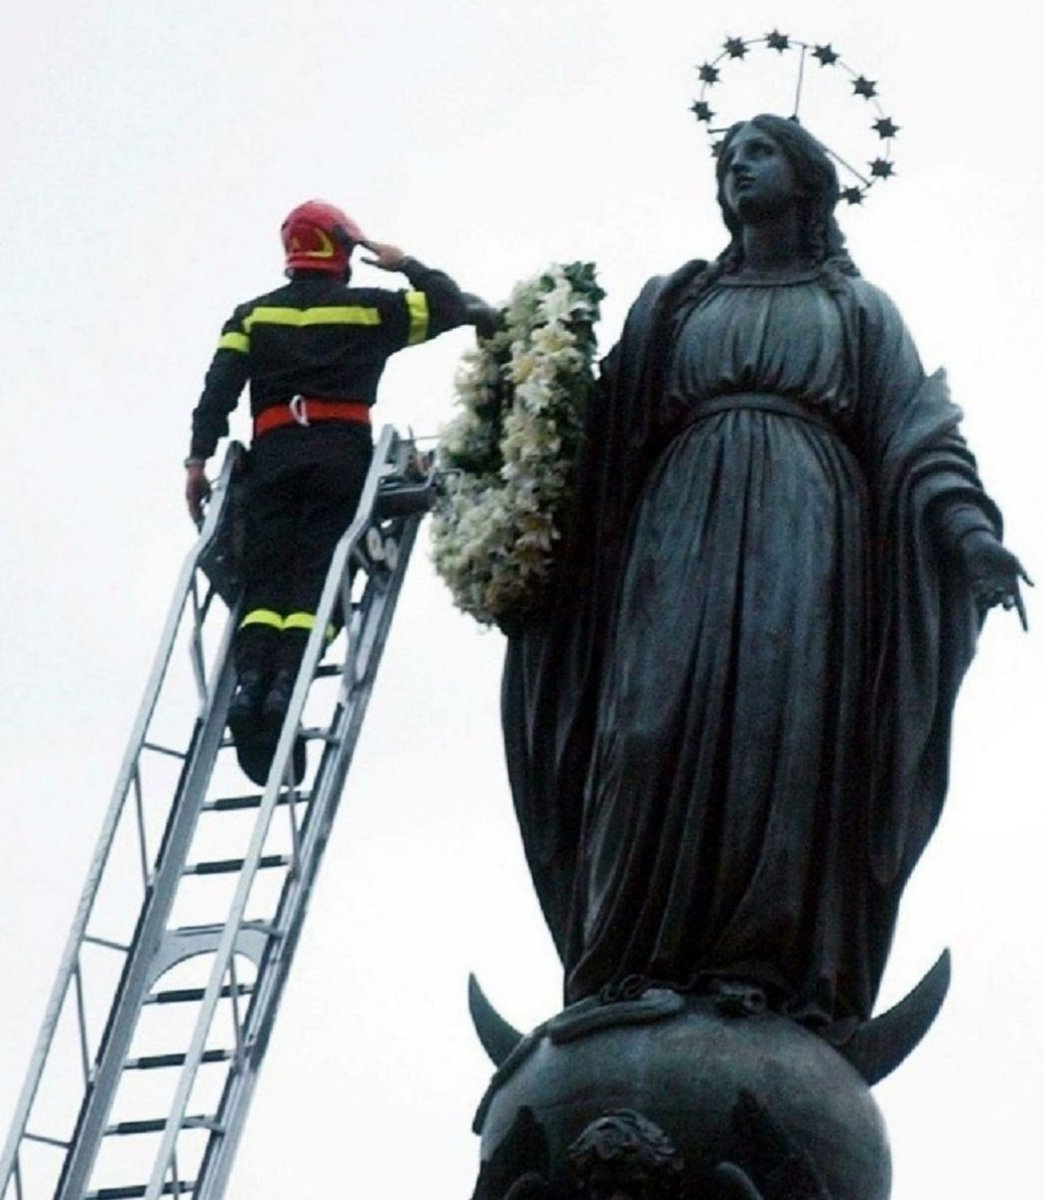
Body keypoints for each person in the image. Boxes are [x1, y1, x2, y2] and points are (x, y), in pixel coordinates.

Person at [501, 115, 1029, 1030]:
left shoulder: (858, 310)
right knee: (645, 727)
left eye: (760, 152)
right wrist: (515, 416)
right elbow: (594, 436)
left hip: (808, 529)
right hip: (675, 529)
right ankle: (631, 959)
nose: (740, 167)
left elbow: (918, 433)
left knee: (775, 734)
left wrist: (967, 533)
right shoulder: (677, 303)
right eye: (727, 157)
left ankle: (760, 965)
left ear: (807, 178)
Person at [186, 199, 488, 779]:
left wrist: (197, 460)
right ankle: (283, 694)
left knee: (266, 583)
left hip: (270, 462)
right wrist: (404, 263)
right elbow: (449, 307)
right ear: (343, 249)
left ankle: (251, 685)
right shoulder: (369, 311)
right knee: (322, 582)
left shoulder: (252, 318)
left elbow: (217, 391)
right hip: (338, 460)